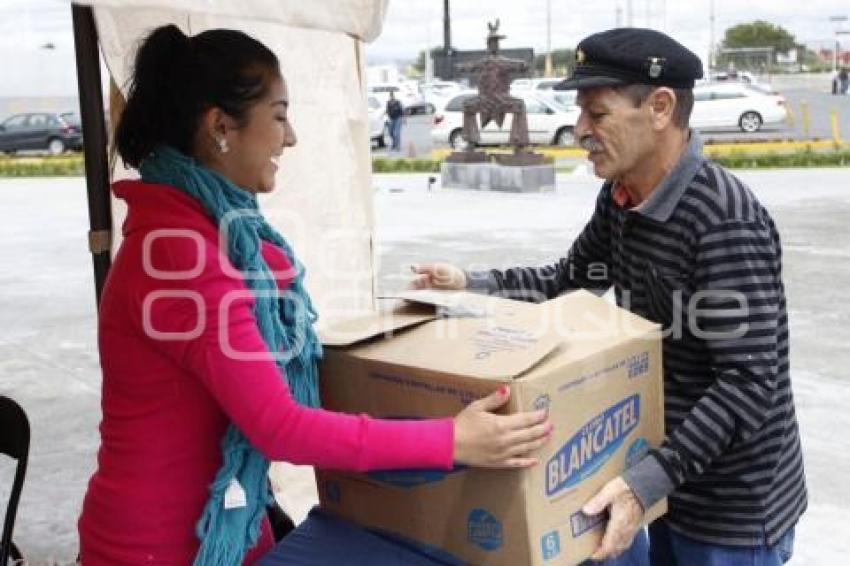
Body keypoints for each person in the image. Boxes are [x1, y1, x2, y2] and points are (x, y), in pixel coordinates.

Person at [77, 25, 552, 566]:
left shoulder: (215, 232)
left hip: (232, 523)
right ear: (219, 128)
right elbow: (281, 427)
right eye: (279, 115)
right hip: (166, 548)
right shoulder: (179, 255)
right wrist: (452, 440)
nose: (291, 137)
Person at [412, 28, 806, 566]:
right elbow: (567, 278)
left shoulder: (723, 219)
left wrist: (645, 481)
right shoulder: (621, 198)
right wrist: (470, 283)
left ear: (660, 107)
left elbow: (748, 383)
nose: (579, 131)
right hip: (660, 479)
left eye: (597, 115)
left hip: (729, 511)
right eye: (580, 114)